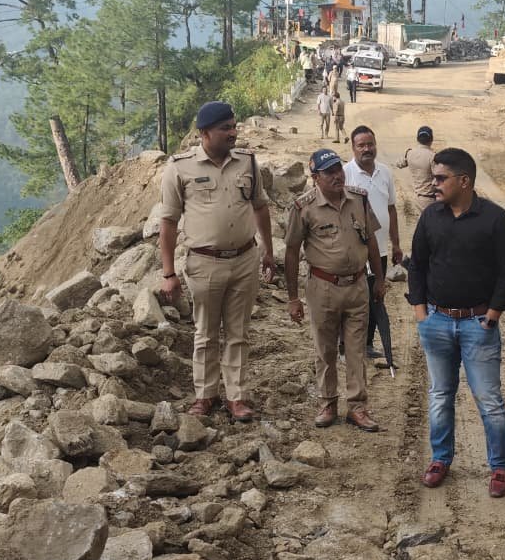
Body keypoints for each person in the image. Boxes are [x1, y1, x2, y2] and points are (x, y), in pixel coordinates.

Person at [408, 148, 505, 498]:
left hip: (478, 326)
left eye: (441, 178)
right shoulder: (431, 217)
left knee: (489, 399)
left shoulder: (495, 219)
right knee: (440, 395)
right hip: (437, 322)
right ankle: (440, 459)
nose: (434, 184)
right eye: (434, 177)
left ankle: (500, 467)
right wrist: (421, 314)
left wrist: (493, 314)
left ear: (464, 181)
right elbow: (417, 265)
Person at [159, 102, 277, 422]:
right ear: (205, 133)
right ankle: (205, 395)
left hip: (245, 260)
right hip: (204, 263)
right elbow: (168, 222)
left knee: (238, 333)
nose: (233, 132)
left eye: (233, 126)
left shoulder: (247, 162)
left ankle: (236, 397)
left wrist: (268, 251)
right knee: (206, 333)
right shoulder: (180, 168)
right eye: (225, 128)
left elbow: (260, 207)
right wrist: (168, 273)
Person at [284, 148, 385, 432]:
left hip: (357, 286)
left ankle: (357, 407)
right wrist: (293, 298)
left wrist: (379, 279)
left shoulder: (359, 199)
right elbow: (291, 251)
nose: (337, 176)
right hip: (323, 288)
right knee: (325, 349)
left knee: (356, 349)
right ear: (315, 177)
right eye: (329, 172)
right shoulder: (303, 207)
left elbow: (371, 241)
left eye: (338, 169)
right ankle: (328, 403)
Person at [343, 125, 402, 364]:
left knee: (376, 295)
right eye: (361, 145)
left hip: (381, 249)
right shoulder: (345, 173)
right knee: (352, 299)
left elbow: (391, 208)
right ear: (353, 148)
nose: (367, 149)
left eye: (370, 144)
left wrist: (396, 244)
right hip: (354, 250)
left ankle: (367, 344)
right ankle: (345, 345)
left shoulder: (385, 172)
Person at [395, 126, 437, 207]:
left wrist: (407, 156)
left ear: (417, 139)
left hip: (416, 198)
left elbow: (399, 164)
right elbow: (437, 176)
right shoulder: (432, 156)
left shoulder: (409, 153)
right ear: (431, 139)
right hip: (429, 199)